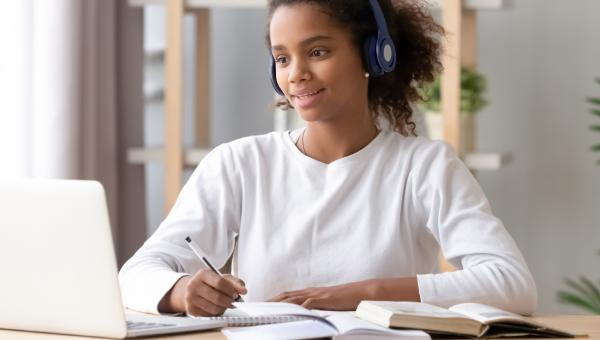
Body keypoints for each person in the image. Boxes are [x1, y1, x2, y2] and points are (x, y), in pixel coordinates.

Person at [119, 0, 537, 317]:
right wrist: (181, 290)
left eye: (317, 52)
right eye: (282, 58)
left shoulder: (425, 167)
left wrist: (363, 293)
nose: (295, 73)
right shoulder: (239, 163)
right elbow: (134, 275)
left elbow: (513, 285)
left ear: (374, 56)